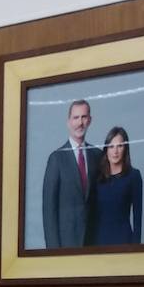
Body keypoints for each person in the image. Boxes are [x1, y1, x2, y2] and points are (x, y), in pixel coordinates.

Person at [41, 99, 101, 249]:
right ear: (68, 122)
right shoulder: (56, 159)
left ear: (90, 120)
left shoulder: (98, 156)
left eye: (84, 117)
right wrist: (53, 252)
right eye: (75, 118)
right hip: (65, 245)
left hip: (94, 243)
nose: (80, 123)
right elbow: (49, 210)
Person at [90, 126, 142, 245]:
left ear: (126, 148)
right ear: (106, 149)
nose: (115, 151)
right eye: (111, 146)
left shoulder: (134, 176)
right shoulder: (97, 177)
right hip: (98, 242)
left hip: (124, 241)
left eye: (120, 146)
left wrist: (136, 249)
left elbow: (137, 218)